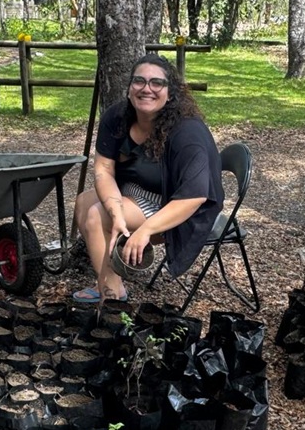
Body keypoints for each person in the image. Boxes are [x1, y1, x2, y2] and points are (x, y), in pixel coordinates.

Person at [72, 53, 223, 303]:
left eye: (157, 83)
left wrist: (145, 231)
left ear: (170, 92)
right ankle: (112, 286)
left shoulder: (188, 133)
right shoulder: (117, 117)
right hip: (136, 191)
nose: (146, 89)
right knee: (84, 203)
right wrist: (117, 212)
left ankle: (109, 303)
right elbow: (103, 170)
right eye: (139, 81)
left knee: (96, 217)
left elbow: (194, 197)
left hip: (176, 204)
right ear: (130, 88)